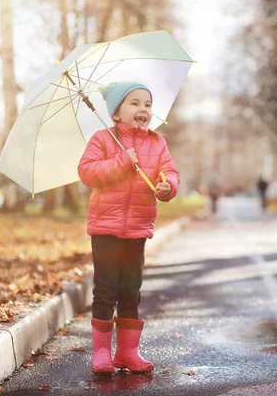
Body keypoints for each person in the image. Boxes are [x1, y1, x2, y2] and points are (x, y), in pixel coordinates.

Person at [78, 82, 180, 374]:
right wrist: (122, 160)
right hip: (106, 230)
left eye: (147, 104)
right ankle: (101, 354)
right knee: (106, 290)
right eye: (134, 103)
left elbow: (170, 171)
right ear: (117, 112)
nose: (143, 110)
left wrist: (167, 186)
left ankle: (127, 352)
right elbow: (87, 172)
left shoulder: (157, 143)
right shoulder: (103, 139)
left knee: (131, 290)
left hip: (137, 229)